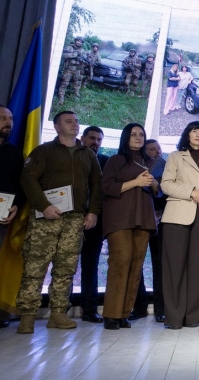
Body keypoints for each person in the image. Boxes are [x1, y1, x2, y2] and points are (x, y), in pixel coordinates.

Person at [16, 111, 102, 334]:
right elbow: (28, 178)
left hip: (75, 219)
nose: (75, 124)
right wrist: (44, 205)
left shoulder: (88, 154)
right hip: (46, 217)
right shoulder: (44, 151)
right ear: (56, 127)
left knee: (66, 269)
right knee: (35, 267)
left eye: (76, 120)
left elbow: (97, 185)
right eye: (68, 121)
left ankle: (58, 314)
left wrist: (92, 212)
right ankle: (27, 316)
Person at [160, 121, 199, 329]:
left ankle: (193, 317)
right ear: (188, 134)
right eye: (195, 131)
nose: (198, 135)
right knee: (174, 268)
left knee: (198, 268)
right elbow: (166, 184)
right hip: (177, 216)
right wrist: (191, 192)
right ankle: (174, 318)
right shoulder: (176, 156)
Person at [100, 123, 159, 330]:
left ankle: (124, 314)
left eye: (141, 134)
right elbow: (106, 187)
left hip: (143, 218)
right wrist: (135, 182)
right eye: (133, 134)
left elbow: (158, 192)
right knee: (120, 261)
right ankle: (111, 314)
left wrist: (153, 185)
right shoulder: (115, 160)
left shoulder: (151, 161)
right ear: (125, 137)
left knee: (136, 265)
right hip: (119, 217)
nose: (138, 137)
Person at [132, 139, 167, 322]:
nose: (157, 152)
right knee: (136, 264)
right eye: (152, 149)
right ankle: (139, 306)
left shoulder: (168, 169)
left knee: (160, 266)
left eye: (159, 149)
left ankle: (160, 309)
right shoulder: (137, 171)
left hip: (161, 223)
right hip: (140, 221)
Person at [78, 126, 108, 323]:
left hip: (95, 220)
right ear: (82, 139)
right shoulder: (72, 157)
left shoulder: (106, 162)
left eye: (98, 140)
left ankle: (89, 309)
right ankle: (58, 309)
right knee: (63, 265)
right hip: (67, 217)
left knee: (91, 264)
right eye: (91, 138)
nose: (95, 142)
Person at [0, 105, 24, 328]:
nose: (8, 122)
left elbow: (21, 185)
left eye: (10, 119)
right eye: (2, 118)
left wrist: (16, 205)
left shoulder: (13, 153)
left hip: (3, 217)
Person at [57, 36, 85, 104]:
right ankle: (61, 96)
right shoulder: (69, 47)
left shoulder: (83, 50)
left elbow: (85, 60)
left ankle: (76, 94)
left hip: (77, 70)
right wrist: (74, 55)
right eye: (78, 41)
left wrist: (81, 60)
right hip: (68, 69)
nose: (79, 42)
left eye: (81, 42)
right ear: (75, 41)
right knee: (64, 83)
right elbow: (64, 55)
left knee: (77, 83)